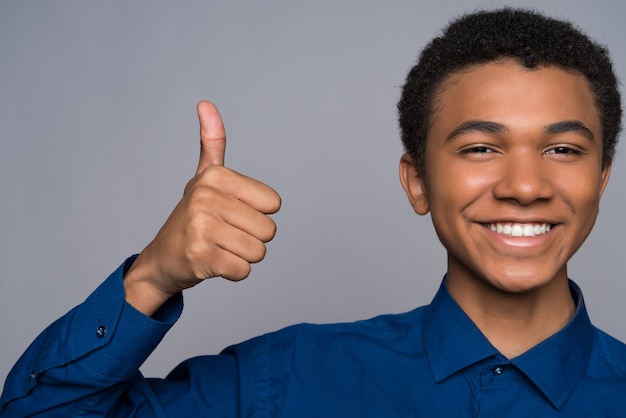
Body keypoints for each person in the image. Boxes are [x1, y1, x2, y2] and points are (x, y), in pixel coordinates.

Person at [2, 7, 625, 417]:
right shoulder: (286, 381)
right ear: (417, 183)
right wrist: (150, 279)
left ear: (601, 178)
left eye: (562, 149)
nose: (524, 185)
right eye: (480, 148)